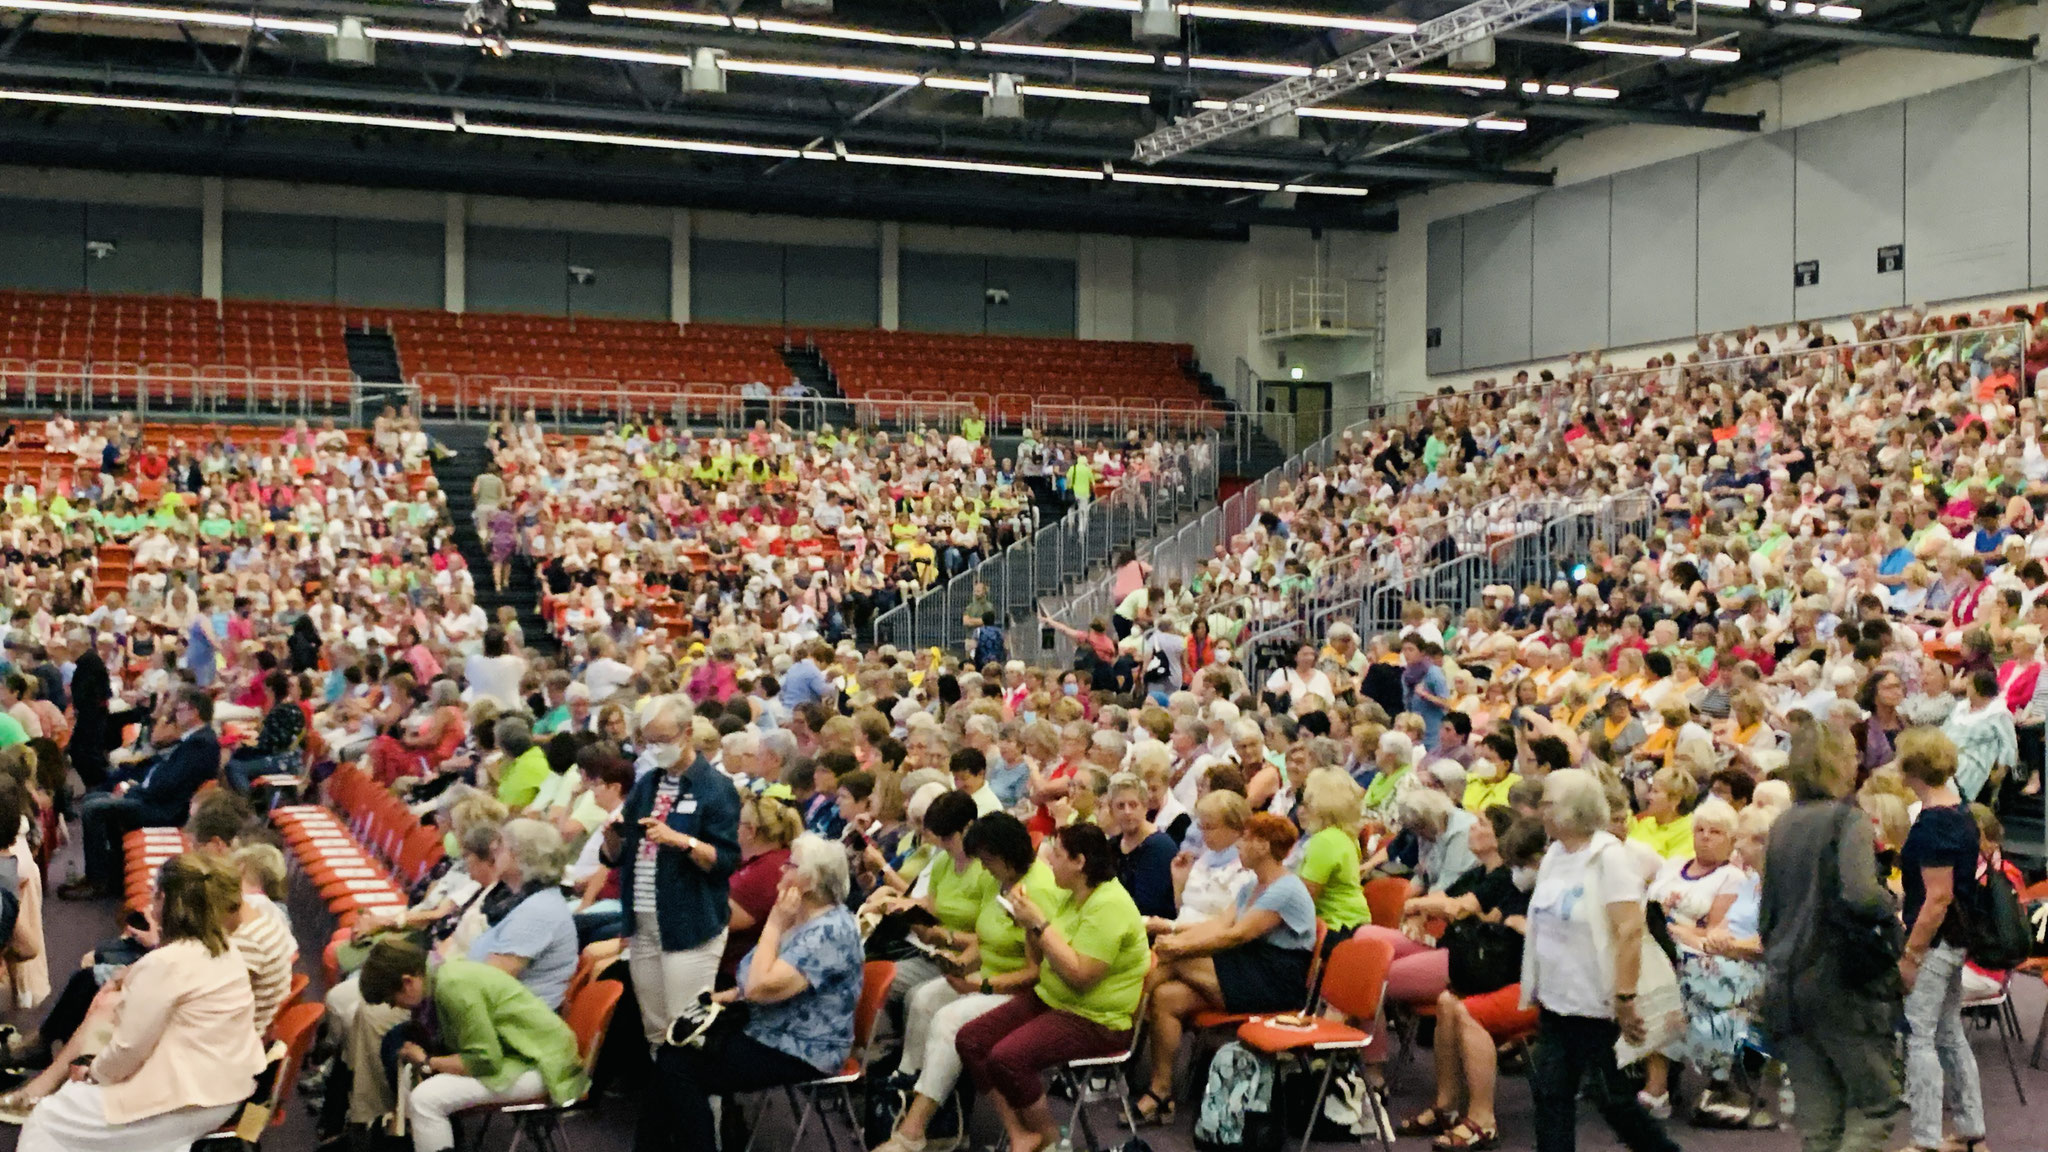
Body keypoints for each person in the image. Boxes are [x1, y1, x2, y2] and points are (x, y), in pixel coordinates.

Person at [17, 853, 266, 1152]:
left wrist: (93, 1074)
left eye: (154, 893)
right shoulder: (227, 950)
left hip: (186, 1102)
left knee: (46, 1119)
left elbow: (127, 1049)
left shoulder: (167, 963)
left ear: (163, 899)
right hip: (226, 1090)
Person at [634, 833, 863, 1152]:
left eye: (791, 865)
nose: (782, 870)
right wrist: (732, 995)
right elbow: (756, 982)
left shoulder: (829, 932)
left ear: (810, 881)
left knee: (679, 1067)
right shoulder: (805, 919)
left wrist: (774, 922)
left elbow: (759, 986)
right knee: (672, 1054)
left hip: (804, 1047)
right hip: (772, 1028)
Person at [874, 812, 1065, 1152]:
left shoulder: (1038, 891)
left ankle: (913, 1129)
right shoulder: (1000, 881)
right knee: (923, 1000)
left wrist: (979, 987)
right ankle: (912, 1096)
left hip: (1023, 991)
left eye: (988, 860)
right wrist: (962, 964)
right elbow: (984, 937)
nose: (984, 867)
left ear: (1008, 855)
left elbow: (1037, 973)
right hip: (989, 975)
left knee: (950, 1020)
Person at [956, 824, 1149, 1152]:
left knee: (1007, 1058)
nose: (1047, 863)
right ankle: (1020, 1134)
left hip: (1096, 1018)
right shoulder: (1069, 895)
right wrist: (1028, 924)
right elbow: (1038, 960)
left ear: (1079, 862)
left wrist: (1039, 924)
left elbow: (1080, 976)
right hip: (1054, 999)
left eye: (1056, 855)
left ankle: (1048, 1141)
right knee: (971, 1040)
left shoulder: (1111, 905)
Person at [1759, 713, 1901, 1152]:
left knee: (1819, 1123)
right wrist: (1890, 900)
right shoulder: (1848, 820)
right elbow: (1860, 895)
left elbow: (1767, 915)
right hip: (1838, 981)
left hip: (1785, 982)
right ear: (1838, 762)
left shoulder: (1782, 823)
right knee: (1876, 1104)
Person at [1521, 769, 1681, 1152]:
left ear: (1571, 811)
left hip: (1600, 1004)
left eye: (1547, 804)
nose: (1540, 811)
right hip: (1558, 1000)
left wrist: (1625, 999)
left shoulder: (1608, 857)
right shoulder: (1555, 856)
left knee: (1614, 1102)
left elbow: (1629, 929)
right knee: (1551, 1096)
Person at [1137, 812, 1316, 1123]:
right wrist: (1174, 936)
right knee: (1167, 997)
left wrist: (1178, 946)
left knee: (1175, 958)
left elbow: (1237, 935)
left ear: (1263, 845)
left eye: (1245, 839)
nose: (1239, 847)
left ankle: (1124, 1027)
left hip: (1275, 980)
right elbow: (1219, 924)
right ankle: (1161, 1089)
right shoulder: (1252, 885)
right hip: (1246, 966)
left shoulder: (1287, 888)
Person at [603, 701, 742, 1047]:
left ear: (688, 734)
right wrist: (611, 841)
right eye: (648, 742)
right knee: (653, 1030)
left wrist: (683, 841)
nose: (655, 748)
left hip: (690, 923)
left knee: (686, 1031)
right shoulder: (647, 784)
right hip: (644, 922)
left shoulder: (716, 788)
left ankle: (702, 1101)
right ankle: (665, 1098)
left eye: (662, 739)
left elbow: (725, 860)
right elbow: (620, 856)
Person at [362, 939, 586, 1152]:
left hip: (544, 1066)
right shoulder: (444, 975)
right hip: (525, 1054)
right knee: (414, 1080)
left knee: (425, 1099)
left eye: (392, 1000)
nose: (393, 1007)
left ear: (407, 982)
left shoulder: (452, 987)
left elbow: (484, 1061)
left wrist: (428, 1061)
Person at [1895, 727, 1987, 1152]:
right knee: (1949, 1032)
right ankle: (1970, 1131)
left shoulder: (1933, 823)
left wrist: (1912, 955)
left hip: (1935, 941)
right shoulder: (1962, 812)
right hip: (1956, 939)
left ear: (1911, 766)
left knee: (1920, 1034)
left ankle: (1926, 1139)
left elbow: (1937, 898)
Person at [1638, 797, 1744, 1119]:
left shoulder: (1731, 878)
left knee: (1659, 982)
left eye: (1715, 832)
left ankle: (1657, 1091)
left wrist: (1674, 927)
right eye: (1699, 829)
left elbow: (1714, 935)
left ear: (1731, 840)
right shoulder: (1672, 866)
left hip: (1697, 956)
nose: (1705, 837)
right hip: (1654, 944)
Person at [65, 688, 219, 900]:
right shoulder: (195, 739)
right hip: (158, 800)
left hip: (167, 810)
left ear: (194, 712)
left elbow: (168, 784)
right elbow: (163, 776)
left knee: (95, 808)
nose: (175, 714)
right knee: (95, 801)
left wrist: (133, 792)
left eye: (179, 709)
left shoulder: (201, 743)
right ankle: (112, 876)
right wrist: (134, 790)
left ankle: (97, 880)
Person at [469, 819, 578, 1010]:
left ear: (524, 857)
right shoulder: (518, 899)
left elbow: (489, 983)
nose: (493, 848)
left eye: (501, 844)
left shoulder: (538, 911)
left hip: (513, 1024)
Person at [720, 790, 801, 985]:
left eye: (739, 824)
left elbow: (721, 918)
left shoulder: (768, 871)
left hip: (737, 976)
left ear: (751, 831)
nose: (735, 829)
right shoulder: (766, 861)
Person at [1106, 772, 1177, 920]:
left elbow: (1146, 906)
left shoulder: (1159, 846)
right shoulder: (1112, 845)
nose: (1127, 812)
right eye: (1120, 806)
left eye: (1133, 805)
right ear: (1111, 810)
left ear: (1145, 807)